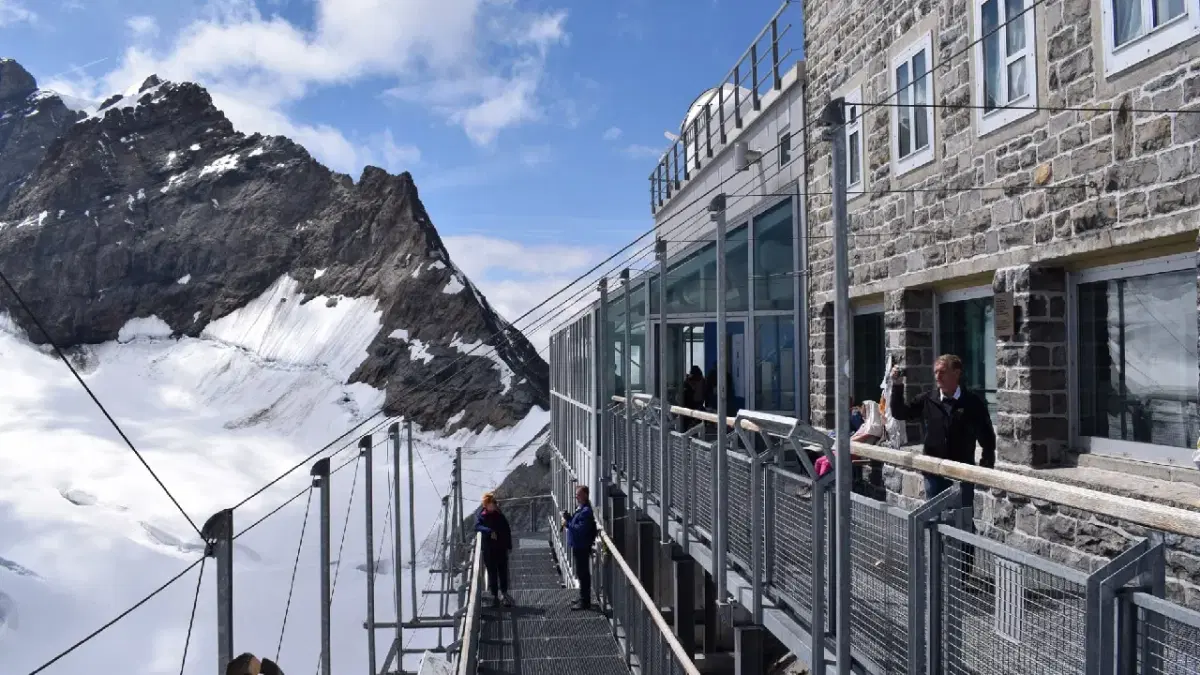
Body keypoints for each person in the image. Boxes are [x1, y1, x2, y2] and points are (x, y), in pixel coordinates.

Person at [889, 354, 996, 511]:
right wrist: (897, 385)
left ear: (957, 373)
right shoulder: (928, 399)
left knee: (963, 519)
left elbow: (986, 434)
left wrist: (986, 462)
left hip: (962, 472)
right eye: (936, 372)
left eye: (943, 372)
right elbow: (900, 413)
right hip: (933, 471)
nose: (938, 377)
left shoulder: (972, 402)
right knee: (934, 518)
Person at [561, 485, 598, 610]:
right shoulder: (582, 509)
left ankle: (585, 601)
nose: (576, 496)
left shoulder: (586, 511)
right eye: (576, 494)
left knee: (583, 573)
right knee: (581, 573)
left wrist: (568, 523)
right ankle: (583, 597)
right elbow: (576, 524)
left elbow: (579, 529)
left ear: (585, 496)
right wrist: (570, 518)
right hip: (578, 545)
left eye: (578, 494)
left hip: (581, 546)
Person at [475, 492, 514, 607]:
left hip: (501, 548)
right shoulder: (482, 515)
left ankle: (504, 594)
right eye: (492, 503)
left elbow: (507, 530)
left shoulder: (499, 515)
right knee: (492, 573)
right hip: (489, 550)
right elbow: (477, 526)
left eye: (494, 503)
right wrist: (489, 531)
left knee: (502, 572)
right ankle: (495, 596)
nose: (494, 505)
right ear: (486, 504)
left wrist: (509, 545)